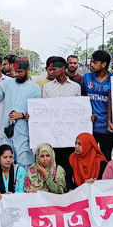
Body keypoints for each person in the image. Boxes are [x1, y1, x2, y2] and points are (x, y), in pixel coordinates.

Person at [0, 56, 41, 167]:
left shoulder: (35, 88)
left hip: (24, 133)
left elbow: (37, 111)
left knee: (23, 164)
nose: (17, 74)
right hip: (6, 131)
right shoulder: (7, 84)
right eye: (16, 71)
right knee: (5, 162)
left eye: (20, 72)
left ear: (28, 70)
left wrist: (22, 115)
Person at [42, 55, 80, 189]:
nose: (51, 72)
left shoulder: (75, 87)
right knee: (55, 162)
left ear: (63, 69)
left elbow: (78, 109)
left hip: (69, 133)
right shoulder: (47, 87)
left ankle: (69, 187)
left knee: (69, 162)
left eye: (54, 69)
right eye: (50, 70)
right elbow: (45, 109)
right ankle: (56, 188)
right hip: (54, 133)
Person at [81, 50, 113, 160]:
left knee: (106, 157)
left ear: (104, 64)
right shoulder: (87, 77)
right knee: (89, 156)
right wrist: (87, 113)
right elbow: (83, 96)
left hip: (107, 128)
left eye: (95, 62)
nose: (91, 64)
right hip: (90, 125)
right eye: (91, 61)